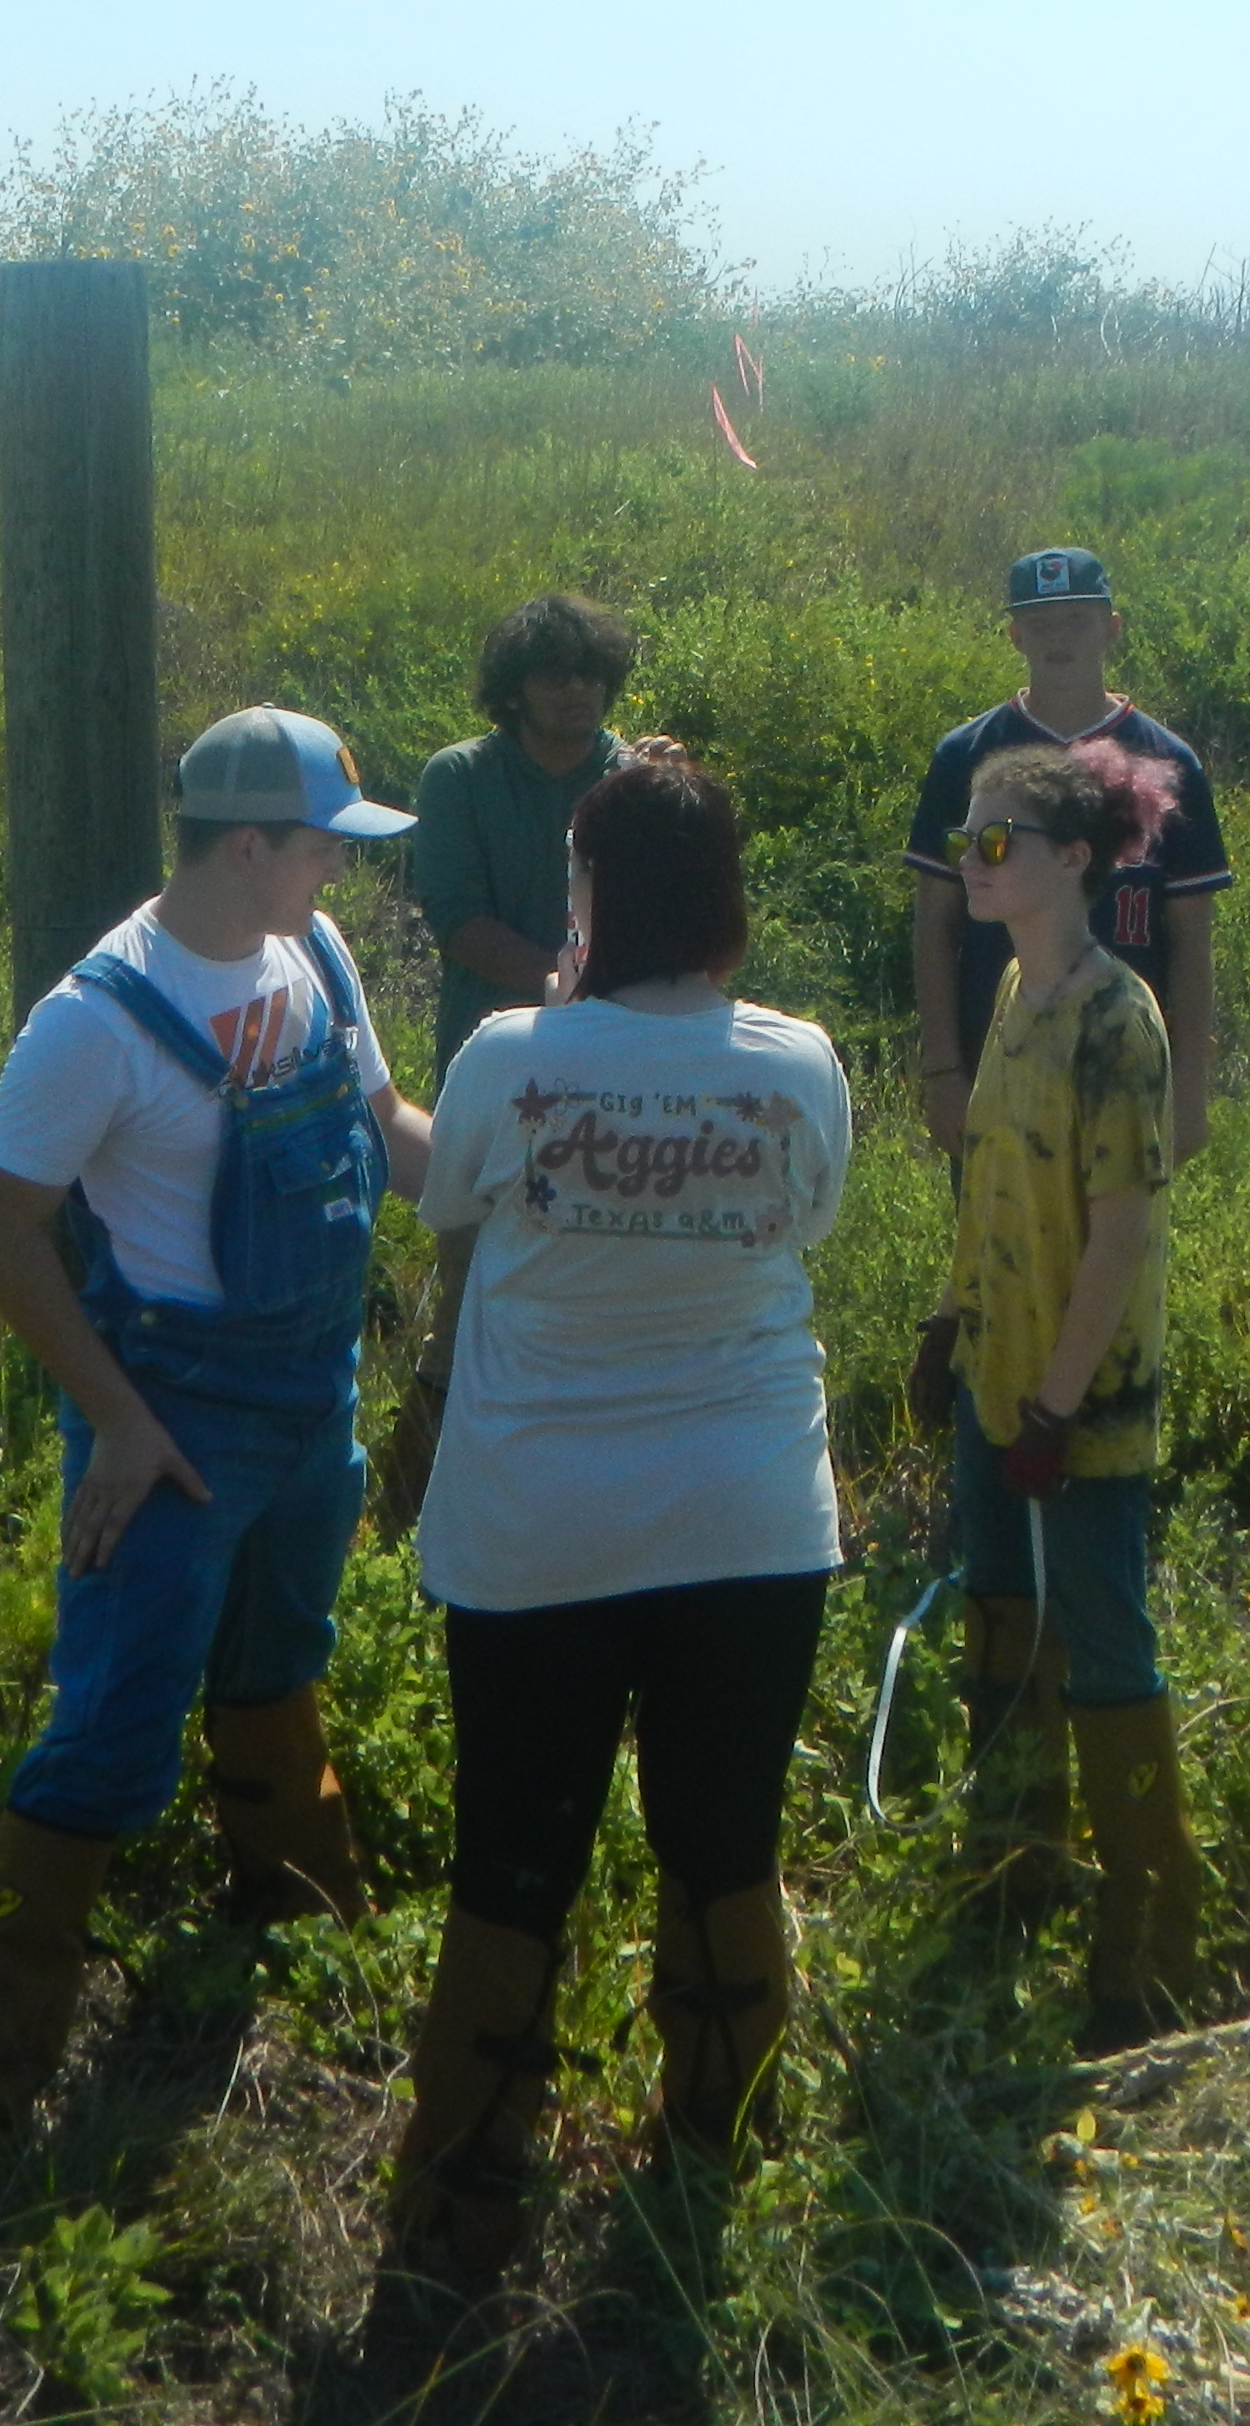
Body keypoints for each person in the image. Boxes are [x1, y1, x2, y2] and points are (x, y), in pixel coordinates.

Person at [0, 704, 436, 2144]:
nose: (340, 869)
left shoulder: (315, 956)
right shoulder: (95, 1021)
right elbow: (0, 1231)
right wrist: (119, 1425)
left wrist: (520, 1178)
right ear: (247, 846)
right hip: (175, 1424)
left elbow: (388, 1125)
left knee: (281, 1659)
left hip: (312, 1397)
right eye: (323, 845)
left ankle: (298, 1925)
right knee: (110, 1734)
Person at [370, 744, 852, 2296]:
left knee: (516, 1852)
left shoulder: (513, 1057)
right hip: (751, 1523)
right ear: (726, 900)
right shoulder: (798, 1062)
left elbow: (449, 1202)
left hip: (538, 1529)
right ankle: (714, 2163)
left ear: (590, 888)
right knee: (725, 1842)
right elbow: (808, 1217)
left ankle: (463, 2196)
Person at [906, 731, 1199, 2050]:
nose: (971, 862)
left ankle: (1146, 1955)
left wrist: (1058, 1409)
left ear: (1074, 860)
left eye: (995, 841)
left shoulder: (1115, 1020)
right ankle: (1011, 1866)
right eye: (964, 839)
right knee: (1001, 1621)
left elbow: (1121, 1233)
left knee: (1107, 1647)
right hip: (997, 1377)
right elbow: (993, 1190)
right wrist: (951, 1322)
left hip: (1082, 1403)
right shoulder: (1015, 997)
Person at [903, 548, 1228, 1171]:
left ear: (1111, 628)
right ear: (1015, 635)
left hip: (1125, 1056)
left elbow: (1192, 939)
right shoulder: (967, 754)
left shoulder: (1169, 761)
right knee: (999, 1228)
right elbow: (935, 925)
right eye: (1041, 622)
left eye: (1077, 620)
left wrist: (1189, 1088)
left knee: (1118, 1226)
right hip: (997, 1052)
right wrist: (943, 1071)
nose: (1059, 638)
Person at [409, 591, 639, 1078]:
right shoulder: (460, 776)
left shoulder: (632, 778)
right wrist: (575, 987)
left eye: (591, 675)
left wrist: (681, 796)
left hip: (615, 1048)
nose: (577, 688)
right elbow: (459, 923)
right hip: (491, 1047)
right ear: (514, 692)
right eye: (556, 676)